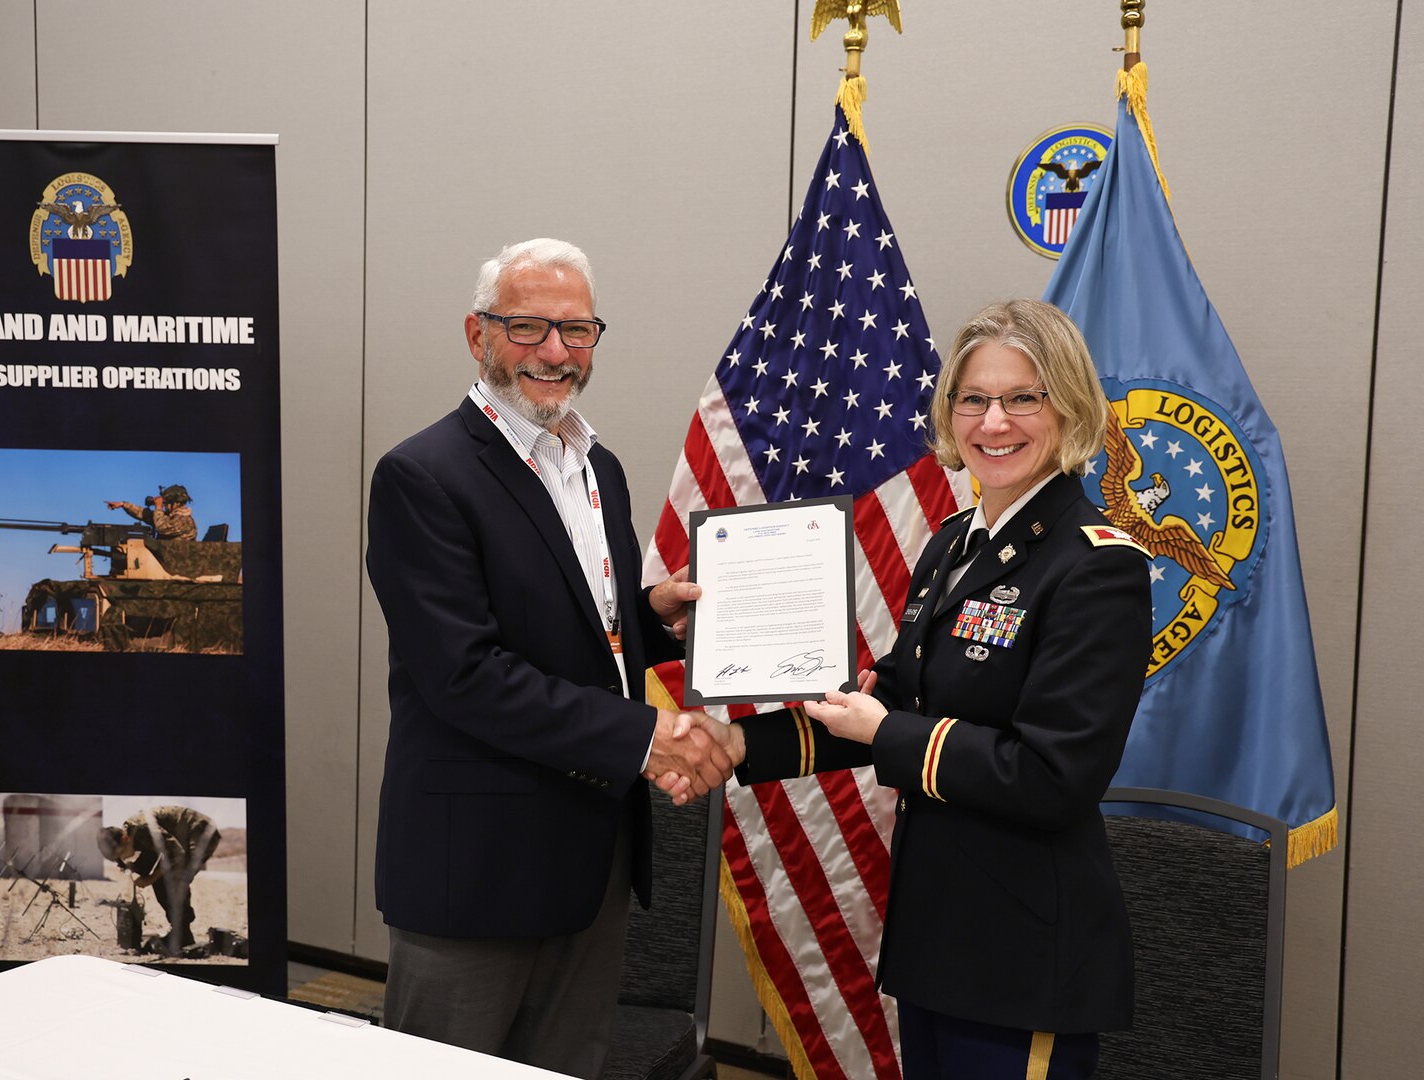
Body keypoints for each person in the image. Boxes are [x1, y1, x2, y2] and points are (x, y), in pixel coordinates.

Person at [664, 299, 1153, 1079]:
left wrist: (881, 731)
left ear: (1070, 409)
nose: (994, 422)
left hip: (1022, 957)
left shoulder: (1096, 563)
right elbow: (889, 699)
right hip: (935, 938)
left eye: (1023, 398)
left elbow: (1051, 777)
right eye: (974, 400)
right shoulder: (959, 542)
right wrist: (732, 745)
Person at [364, 237, 731, 1079]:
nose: (555, 352)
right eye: (527, 328)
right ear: (477, 335)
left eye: (577, 330)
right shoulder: (423, 476)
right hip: (477, 870)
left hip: (588, 858)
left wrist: (646, 616)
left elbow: (570, 628)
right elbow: (466, 674)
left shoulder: (595, 464)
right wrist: (646, 738)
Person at [97, 805, 221, 955]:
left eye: (122, 853)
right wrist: (133, 868)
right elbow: (150, 853)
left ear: (125, 838)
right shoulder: (129, 834)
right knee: (152, 874)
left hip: (199, 832)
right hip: (176, 840)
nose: (123, 858)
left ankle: (182, 934)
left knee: (174, 880)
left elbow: (177, 853)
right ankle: (180, 931)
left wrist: (150, 878)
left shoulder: (143, 828)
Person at [106, 484, 198, 540]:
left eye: (166, 504)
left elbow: (161, 528)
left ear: (175, 503)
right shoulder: (169, 517)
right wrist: (123, 504)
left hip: (177, 564)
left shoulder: (184, 520)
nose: (164, 506)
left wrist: (158, 508)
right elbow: (144, 514)